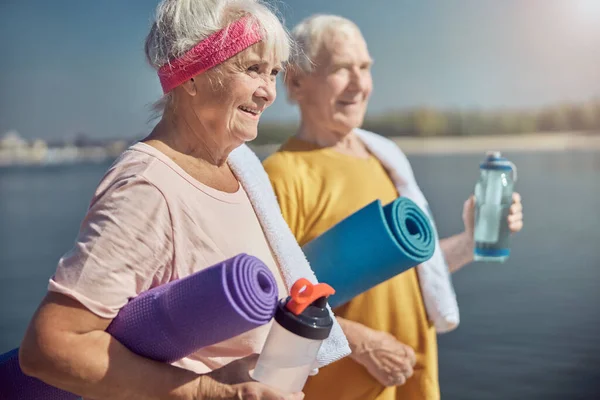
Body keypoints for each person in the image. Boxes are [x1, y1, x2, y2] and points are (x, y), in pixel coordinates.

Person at [17, 3, 350, 400]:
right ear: (191, 73)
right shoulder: (148, 187)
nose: (268, 92)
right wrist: (210, 392)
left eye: (274, 72)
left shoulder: (240, 171)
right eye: (252, 69)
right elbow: (51, 346)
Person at [263, 14, 524, 400]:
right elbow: (265, 304)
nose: (360, 84)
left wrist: (471, 241)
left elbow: (414, 275)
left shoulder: (384, 158)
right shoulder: (282, 175)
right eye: (340, 69)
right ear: (296, 82)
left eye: (365, 67)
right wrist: (361, 342)